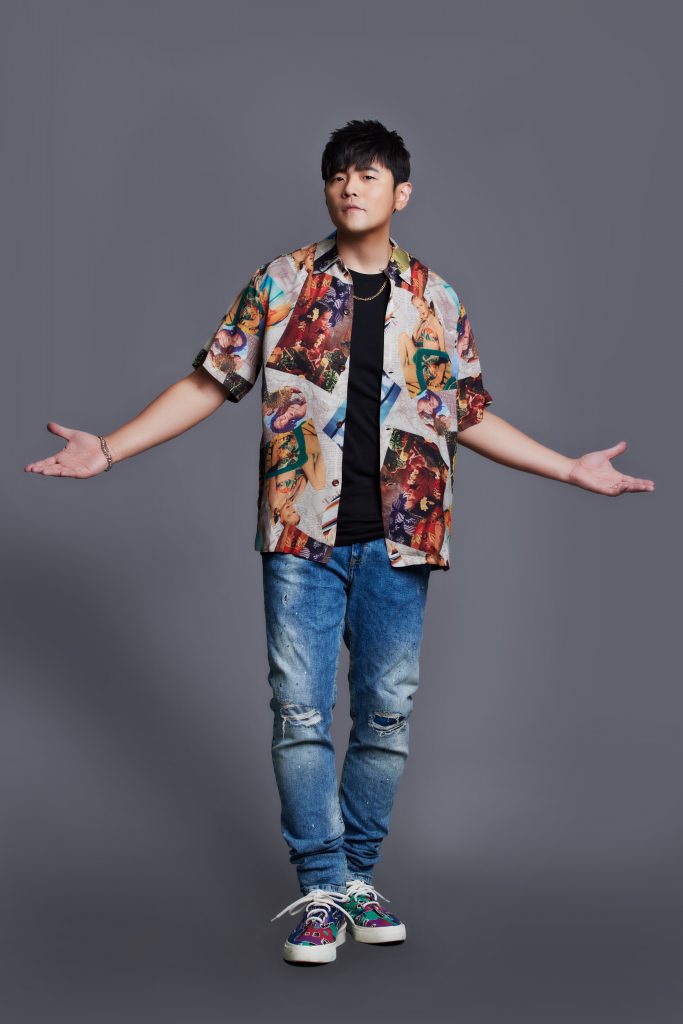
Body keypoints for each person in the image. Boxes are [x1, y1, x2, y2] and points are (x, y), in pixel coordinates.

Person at [24, 119, 655, 966]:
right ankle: (320, 888)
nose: (349, 186)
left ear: (401, 193)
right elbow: (210, 382)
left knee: (386, 718)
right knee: (300, 715)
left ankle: (355, 877)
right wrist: (108, 448)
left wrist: (568, 468)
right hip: (300, 538)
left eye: (367, 174)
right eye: (336, 175)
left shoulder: (436, 299)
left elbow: (466, 415)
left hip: (401, 540)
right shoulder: (281, 283)